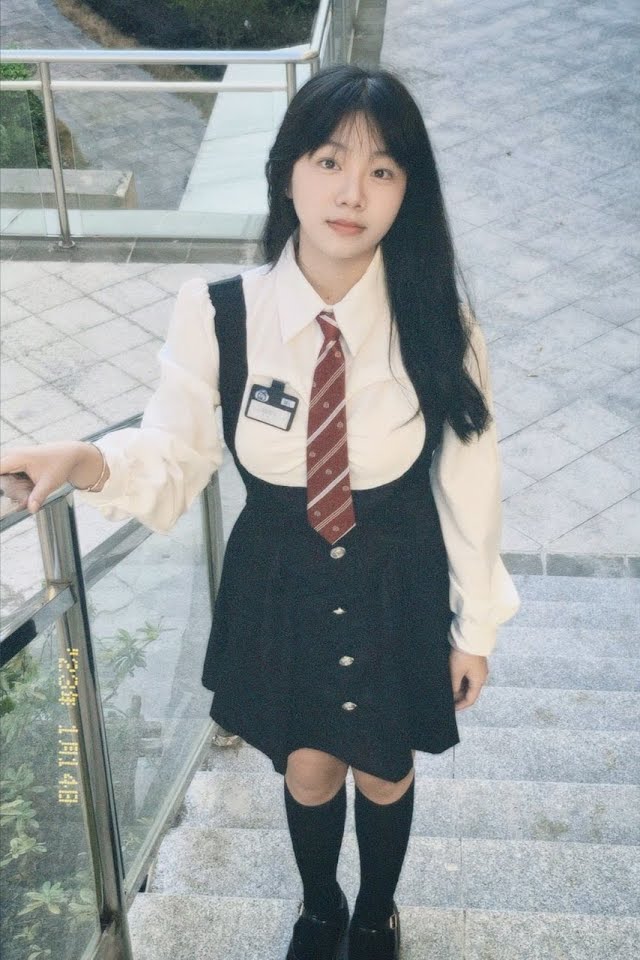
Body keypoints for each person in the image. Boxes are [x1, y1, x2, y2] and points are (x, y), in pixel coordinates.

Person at [0, 64, 520, 960]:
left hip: (397, 576)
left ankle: (377, 916)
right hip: (280, 581)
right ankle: (320, 909)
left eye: (383, 170)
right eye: (330, 161)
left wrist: (475, 629)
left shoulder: (441, 322)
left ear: (408, 193)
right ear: (288, 172)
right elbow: (175, 452)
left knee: (385, 767)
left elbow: (471, 482)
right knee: (310, 766)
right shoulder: (219, 315)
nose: (352, 193)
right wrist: (86, 460)